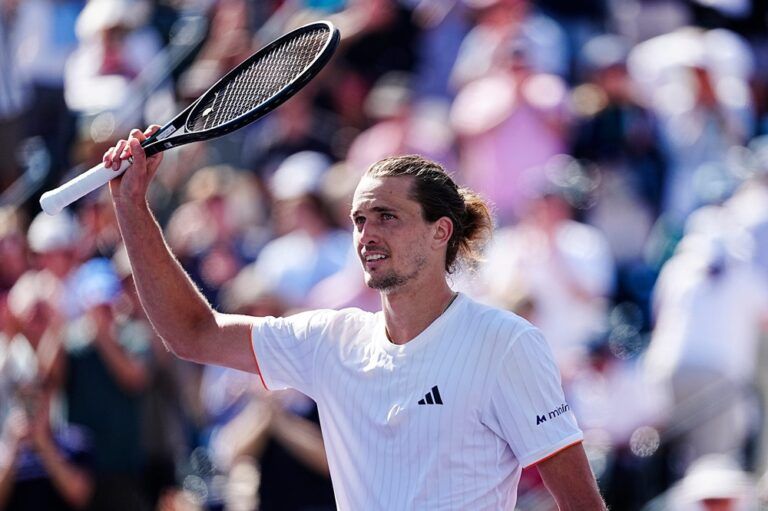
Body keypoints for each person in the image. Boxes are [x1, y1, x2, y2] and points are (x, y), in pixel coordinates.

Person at [101, 125, 607, 510]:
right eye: (359, 219)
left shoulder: (506, 344)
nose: (366, 234)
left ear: (441, 232)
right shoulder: (330, 339)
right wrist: (132, 207)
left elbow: (582, 505)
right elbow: (192, 333)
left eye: (387, 216)